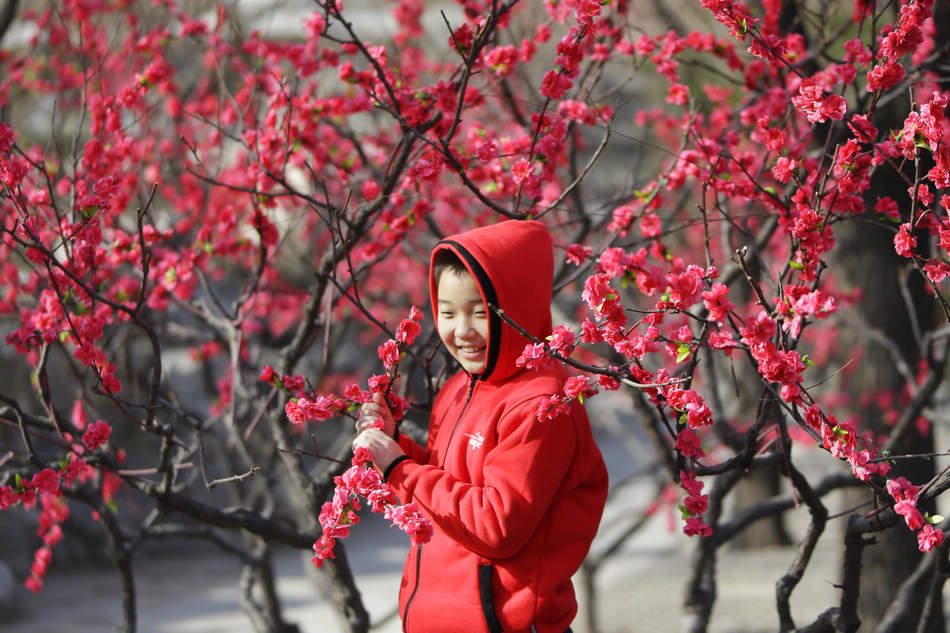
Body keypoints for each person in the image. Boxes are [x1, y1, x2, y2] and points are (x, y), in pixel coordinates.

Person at [353, 220, 608, 633]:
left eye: (479, 312)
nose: (462, 330)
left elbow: (495, 526)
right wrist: (392, 444)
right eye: (449, 312)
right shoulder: (459, 387)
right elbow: (443, 493)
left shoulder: (541, 404)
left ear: (517, 307)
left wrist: (399, 466)